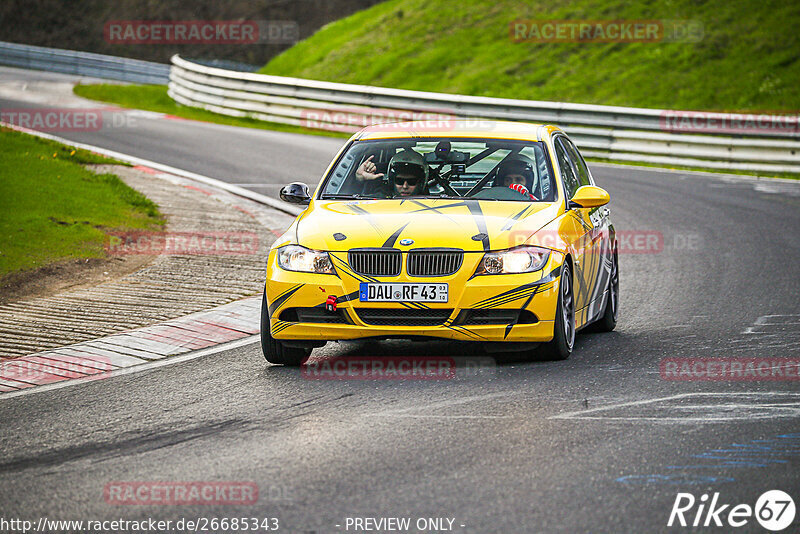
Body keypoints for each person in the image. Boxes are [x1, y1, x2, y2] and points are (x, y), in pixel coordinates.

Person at [355, 149, 428, 197]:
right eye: (399, 181)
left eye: (411, 182)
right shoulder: (380, 199)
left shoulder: (434, 201)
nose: (405, 186)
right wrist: (359, 178)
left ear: (421, 183)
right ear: (392, 181)